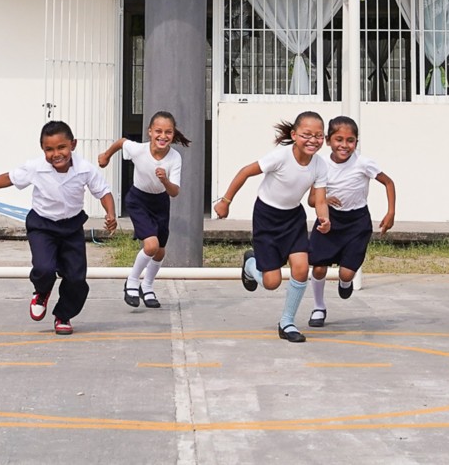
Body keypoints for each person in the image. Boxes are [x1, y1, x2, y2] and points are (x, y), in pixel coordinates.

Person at [0, 120, 116, 335]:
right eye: (49, 149)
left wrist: (110, 213)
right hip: (42, 225)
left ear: (73, 145)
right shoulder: (36, 167)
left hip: (71, 227)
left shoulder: (85, 170)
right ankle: (42, 292)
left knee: (76, 279)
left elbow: (103, 192)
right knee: (44, 268)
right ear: (42, 149)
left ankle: (63, 315)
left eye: (61, 147)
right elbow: (9, 178)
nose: (56, 154)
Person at [214, 111, 330, 343]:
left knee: (301, 268)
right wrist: (225, 202)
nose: (313, 140)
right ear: (294, 134)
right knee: (271, 282)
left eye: (318, 136)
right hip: (266, 217)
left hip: (293, 219)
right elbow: (245, 172)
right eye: (307, 134)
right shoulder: (280, 157)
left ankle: (287, 322)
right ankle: (250, 265)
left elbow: (320, 199)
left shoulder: (320, 165)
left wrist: (324, 219)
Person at [304, 116, 396, 328]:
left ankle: (345, 281)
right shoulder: (320, 164)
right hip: (329, 219)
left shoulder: (364, 163)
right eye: (339, 139)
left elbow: (388, 183)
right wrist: (323, 200)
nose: (344, 145)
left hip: (357, 222)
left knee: (346, 272)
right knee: (318, 268)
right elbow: (311, 200)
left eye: (350, 140)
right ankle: (319, 307)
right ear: (328, 141)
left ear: (356, 142)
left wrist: (390, 212)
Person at [98, 111, 189, 310]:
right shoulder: (139, 149)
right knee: (151, 246)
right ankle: (131, 281)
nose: (163, 136)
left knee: (160, 251)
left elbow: (174, 192)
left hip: (161, 202)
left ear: (173, 135)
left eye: (168, 132)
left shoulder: (175, 158)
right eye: (158, 131)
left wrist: (164, 180)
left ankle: (147, 286)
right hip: (138, 200)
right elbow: (122, 142)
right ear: (150, 132)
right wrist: (106, 156)